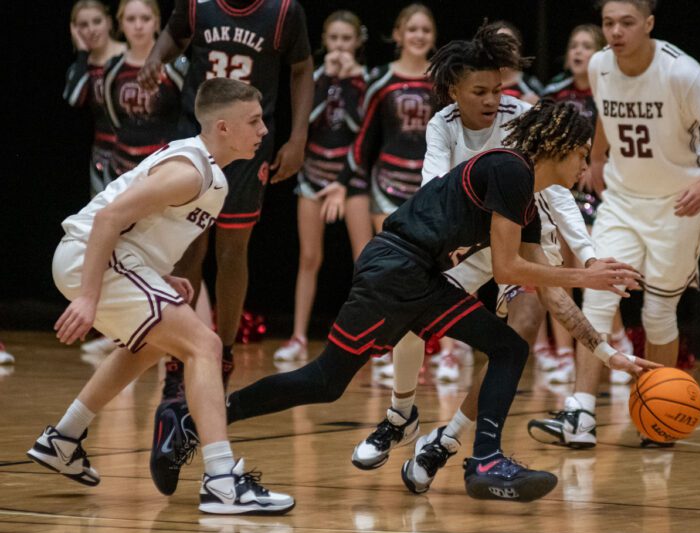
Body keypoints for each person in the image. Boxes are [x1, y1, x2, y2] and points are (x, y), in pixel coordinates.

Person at [162, 100, 659, 503]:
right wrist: (586, 274)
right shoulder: (510, 169)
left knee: (507, 347)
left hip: (420, 277)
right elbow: (509, 269)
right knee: (325, 382)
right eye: (582, 155)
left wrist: (606, 353)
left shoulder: (524, 201)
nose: (585, 168)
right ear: (559, 146)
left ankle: (485, 460)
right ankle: (194, 420)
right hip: (394, 268)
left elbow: (548, 291)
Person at [348, 27, 613, 495]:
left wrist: (589, 255)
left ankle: (448, 441)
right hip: (468, 238)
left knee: (520, 329)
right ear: (454, 90)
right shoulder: (442, 125)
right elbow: (433, 190)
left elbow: (558, 190)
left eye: (497, 88)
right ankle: (400, 414)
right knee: (410, 315)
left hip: (522, 235)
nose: (492, 99)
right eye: (480, 91)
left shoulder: (521, 115)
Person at [27, 78, 294, 515]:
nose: (264, 130)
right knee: (204, 345)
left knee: (151, 345)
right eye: (254, 121)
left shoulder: (211, 175)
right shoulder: (189, 171)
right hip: (88, 256)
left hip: (111, 260)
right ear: (223, 127)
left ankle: (64, 438)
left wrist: (159, 277)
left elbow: (140, 230)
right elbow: (109, 218)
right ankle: (222, 481)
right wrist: (89, 297)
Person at [528, 0, 700, 449]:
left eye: (626, 22)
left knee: (658, 313)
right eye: (608, 22)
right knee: (597, 294)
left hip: (678, 205)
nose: (615, 31)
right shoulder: (600, 65)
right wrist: (597, 159)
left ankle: (658, 418)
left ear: (648, 24)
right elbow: (606, 115)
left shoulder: (682, 72)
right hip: (623, 201)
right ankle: (581, 414)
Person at [137, 0, 314, 494]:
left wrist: (299, 136)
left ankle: (226, 353)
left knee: (233, 250)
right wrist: (155, 59)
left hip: (247, 146)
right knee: (188, 249)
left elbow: (302, 69)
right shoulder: (197, 6)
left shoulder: (283, 12)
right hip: (197, 134)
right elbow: (173, 35)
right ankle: (178, 361)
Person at [335, 3, 437, 368]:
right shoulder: (381, 79)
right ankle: (384, 343)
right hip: (387, 186)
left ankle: (446, 350)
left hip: (429, 186)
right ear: (398, 35)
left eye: (426, 30)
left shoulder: (442, 80)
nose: (419, 36)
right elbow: (362, 138)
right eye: (412, 29)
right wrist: (342, 182)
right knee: (392, 269)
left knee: (436, 270)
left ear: (434, 36)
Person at [273, 10, 372, 363]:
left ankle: (372, 339)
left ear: (357, 42)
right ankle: (298, 336)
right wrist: (328, 79)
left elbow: (361, 127)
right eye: (334, 39)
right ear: (325, 42)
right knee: (309, 257)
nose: (340, 46)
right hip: (313, 175)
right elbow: (306, 122)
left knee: (365, 260)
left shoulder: (367, 80)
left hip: (351, 178)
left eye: (347, 39)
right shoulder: (315, 78)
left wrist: (347, 81)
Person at [538, 24, 634, 385]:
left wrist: (597, 163)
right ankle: (564, 354)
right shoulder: (553, 93)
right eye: (574, 45)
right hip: (559, 188)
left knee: (590, 265)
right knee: (558, 267)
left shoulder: (609, 90)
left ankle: (617, 339)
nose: (578, 51)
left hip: (596, 190)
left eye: (586, 46)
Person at [66, 0, 128, 357]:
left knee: (136, 238)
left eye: (96, 22)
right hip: (102, 159)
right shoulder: (87, 64)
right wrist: (80, 54)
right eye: (82, 25)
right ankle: (114, 328)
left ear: (109, 22)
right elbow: (74, 98)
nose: (91, 30)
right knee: (104, 240)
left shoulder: (127, 56)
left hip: (134, 156)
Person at [102, 0, 186, 180]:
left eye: (145, 18)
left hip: (165, 172)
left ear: (157, 22)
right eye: (131, 19)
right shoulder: (113, 68)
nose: (138, 26)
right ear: (120, 23)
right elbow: (113, 119)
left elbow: (189, 113)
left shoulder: (175, 66)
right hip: (121, 170)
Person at [490, 20, 543, 104]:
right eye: (498, 44)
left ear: (518, 51)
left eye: (509, 44)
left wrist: (535, 107)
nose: (504, 50)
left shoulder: (530, 84)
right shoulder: (476, 85)